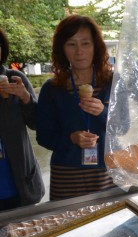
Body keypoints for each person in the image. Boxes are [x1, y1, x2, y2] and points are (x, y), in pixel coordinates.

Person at [37, 15, 117, 200]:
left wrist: (103, 113)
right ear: (62, 49)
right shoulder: (52, 89)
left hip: (106, 175)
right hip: (66, 178)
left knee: (107, 226)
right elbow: (44, 136)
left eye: (85, 43)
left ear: (96, 46)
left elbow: (124, 127)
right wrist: (71, 138)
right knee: (68, 227)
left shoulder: (113, 83)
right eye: (71, 44)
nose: (79, 51)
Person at [0, 28, 44, 210]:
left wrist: (25, 97)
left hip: (18, 180)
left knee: (25, 235)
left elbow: (36, 123)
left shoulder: (14, 78)